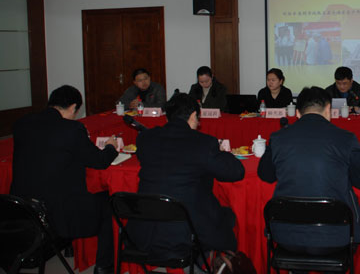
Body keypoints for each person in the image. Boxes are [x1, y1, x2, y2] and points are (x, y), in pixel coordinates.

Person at [11, 85, 119, 274]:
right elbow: (99, 161)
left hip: (21, 209)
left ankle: (69, 247)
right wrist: (111, 147)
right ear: (73, 107)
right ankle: (104, 267)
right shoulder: (72, 129)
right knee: (108, 202)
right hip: (56, 213)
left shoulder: (22, 123)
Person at [258, 86, 360, 253]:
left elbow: (266, 175)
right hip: (337, 237)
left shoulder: (277, 138)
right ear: (328, 110)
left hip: (286, 236)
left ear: (297, 113)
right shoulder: (346, 138)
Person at [127, 92, 245, 257]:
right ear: (193, 115)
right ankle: (208, 258)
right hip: (186, 233)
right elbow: (236, 172)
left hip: (144, 231)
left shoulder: (146, 138)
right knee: (227, 217)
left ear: (167, 117)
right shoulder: (203, 143)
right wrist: (221, 153)